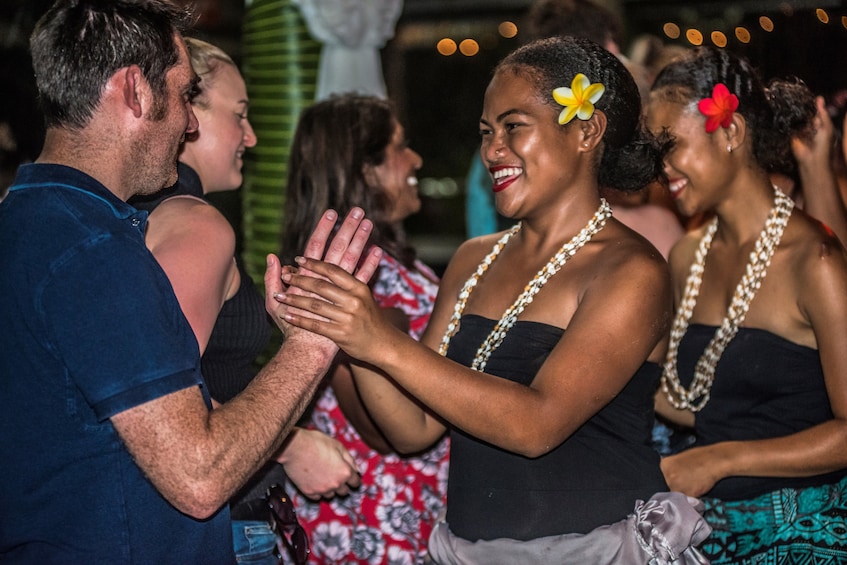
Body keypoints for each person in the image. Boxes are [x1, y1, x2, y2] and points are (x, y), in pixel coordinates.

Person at [277, 36, 710, 563]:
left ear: (586, 130)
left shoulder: (631, 269)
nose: (492, 150)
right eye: (486, 132)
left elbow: (536, 425)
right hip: (467, 550)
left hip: (595, 549)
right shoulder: (472, 259)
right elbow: (413, 429)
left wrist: (379, 339)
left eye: (513, 127)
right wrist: (345, 336)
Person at [0, 1, 379, 562]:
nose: (191, 122)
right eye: (182, 95)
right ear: (136, 91)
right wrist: (314, 340)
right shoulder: (98, 251)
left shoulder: (22, 219)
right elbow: (200, 477)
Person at [130, 37, 362, 564]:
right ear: (186, 111)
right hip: (217, 527)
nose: (251, 137)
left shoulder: (144, 213)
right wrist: (291, 444)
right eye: (239, 114)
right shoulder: (196, 226)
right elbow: (153, 398)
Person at [646, 46, 847, 563]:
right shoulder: (687, 256)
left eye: (671, 146)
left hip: (806, 530)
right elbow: (689, 397)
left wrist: (722, 459)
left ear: (730, 132)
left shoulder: (816, 261)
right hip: (704, 532)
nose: (661, 167)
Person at [279, 93, 449, 564]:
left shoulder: (397, 264)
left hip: (409, 506)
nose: (414, 158)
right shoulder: (343, 278)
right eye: (400, 146)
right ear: (365, 171)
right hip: (372, 518)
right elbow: (379, 428)